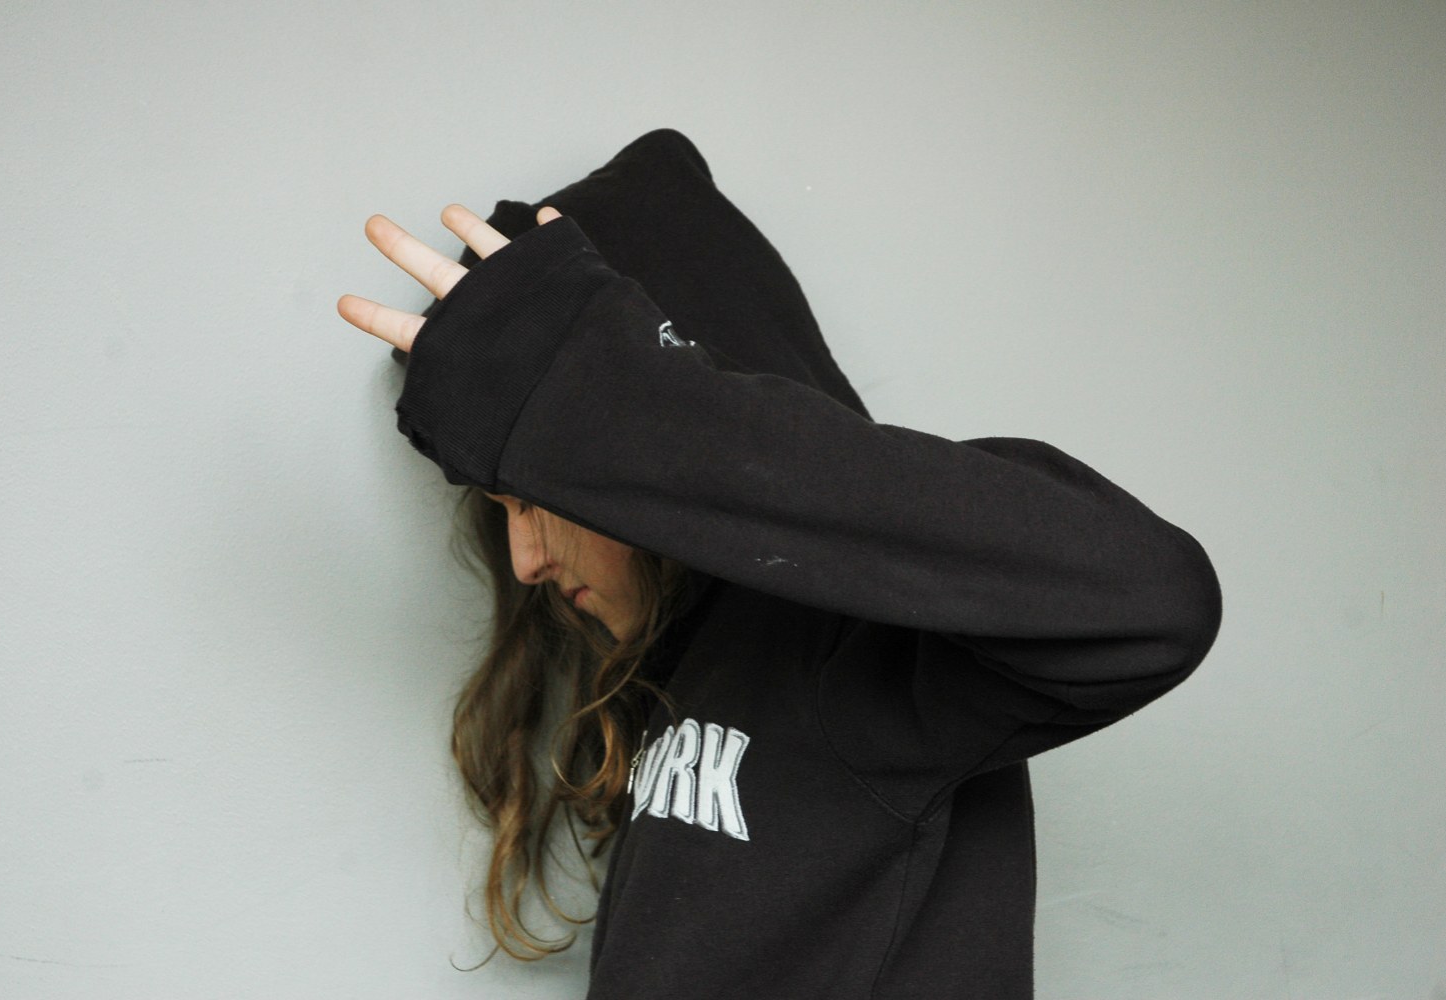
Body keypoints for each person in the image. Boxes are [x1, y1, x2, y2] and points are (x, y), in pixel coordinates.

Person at [337, 129, 1221, 999]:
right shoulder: (686, 668)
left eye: (536, 499)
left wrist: (618, 401)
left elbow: (1153, 598)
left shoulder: (857, 646)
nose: (525, 562)